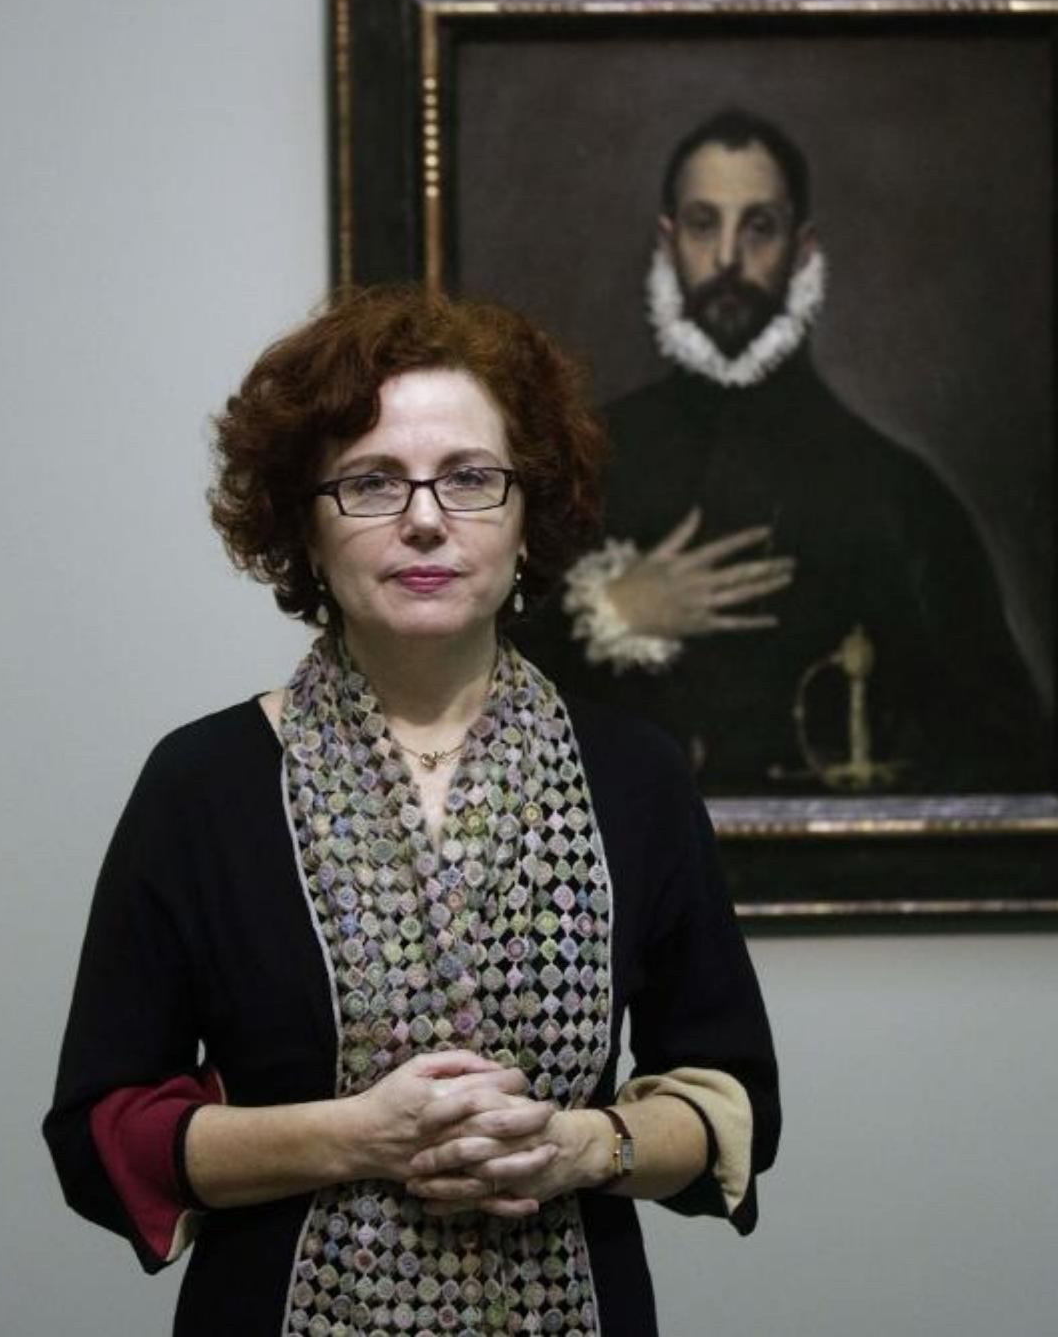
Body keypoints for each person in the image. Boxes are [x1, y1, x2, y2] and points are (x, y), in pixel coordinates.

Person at [43, 287, 779, 1336]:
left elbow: (727, 1099)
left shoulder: (636, 776)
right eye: (372, 482)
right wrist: (357, 1137)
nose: (426, 518)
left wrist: (581, 1147)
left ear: (527, 519)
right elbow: (103, 1132)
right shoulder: (201, 784)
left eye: (471, 478)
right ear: (305, 525)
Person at [529, 109, 1050, 796]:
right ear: (668, 241)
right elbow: (471, 710)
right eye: (703, 224)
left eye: (759, 228)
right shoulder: (585, 456)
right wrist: (604, 612)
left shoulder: (893, 492)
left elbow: (1009, 753)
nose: (728, 259)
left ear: (802, 250)